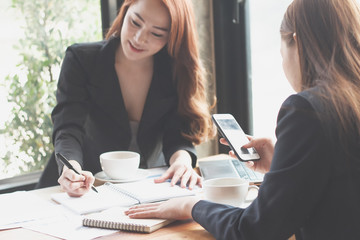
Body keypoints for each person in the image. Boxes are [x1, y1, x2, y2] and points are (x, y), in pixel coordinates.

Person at [125, 0, 360, 239]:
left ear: (296, 42)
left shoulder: (307, 110)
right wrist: (281, 167)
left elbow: (254, 230)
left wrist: (192, 206)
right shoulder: (348, 102)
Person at [36, 0, 215, 197]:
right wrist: (71, 170)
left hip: (144, 189)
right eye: (135, 22)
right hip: (82, 188)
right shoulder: (81, 59)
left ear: (172, 37)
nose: (139, 38)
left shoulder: (173, 71)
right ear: (125, 10)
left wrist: (182, 162)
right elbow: (68, 128)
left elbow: (176, 135)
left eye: (156, 33)